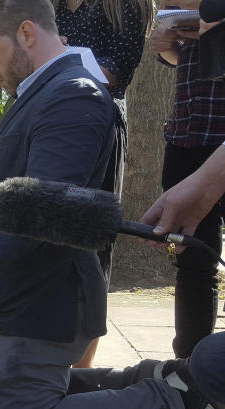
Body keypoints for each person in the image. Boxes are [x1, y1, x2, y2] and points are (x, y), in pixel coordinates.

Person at [0, 0, 225, 409]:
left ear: (26, 33)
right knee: (6, 395)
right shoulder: (49, 90)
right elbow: (33, 190)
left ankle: (184, 403)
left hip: (44, 297)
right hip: (30, 290)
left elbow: (45, 208)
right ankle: (163, 378)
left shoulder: (72, 96)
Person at [51, 0, 153, 368]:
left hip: (99, 125)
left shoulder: (125, 4)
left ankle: (80, 369)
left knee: (92, 245)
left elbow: (117, 73)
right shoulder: (48, 5)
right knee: (45, 240)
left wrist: (58, 56)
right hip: (49, 123)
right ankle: (42, 361)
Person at [150, 2, 225, 359]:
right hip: (185, 140)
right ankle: (189, 364)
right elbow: (179, 58)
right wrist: (167, 44)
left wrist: (217, 31)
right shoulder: (175, 10)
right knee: (192, 262)